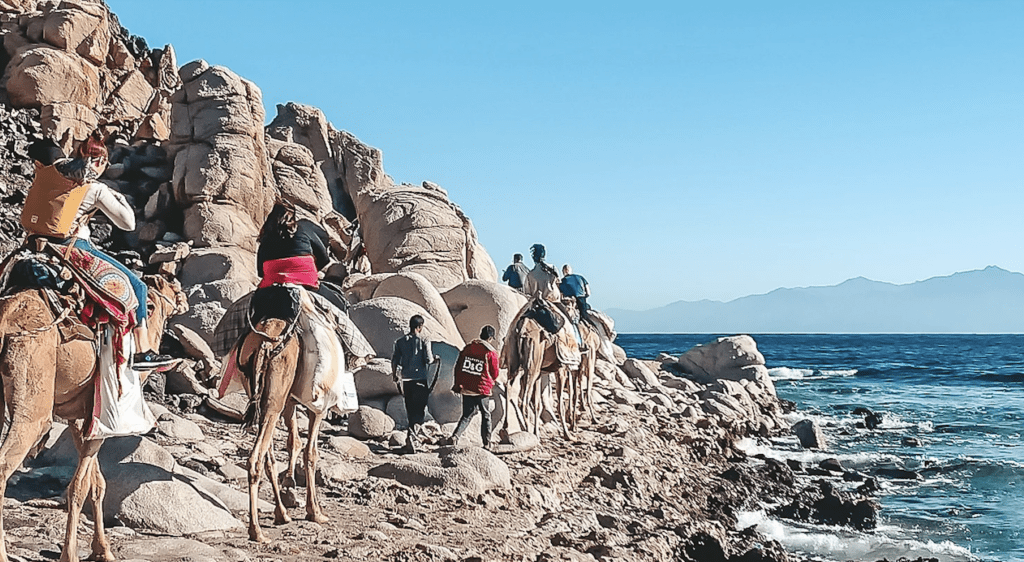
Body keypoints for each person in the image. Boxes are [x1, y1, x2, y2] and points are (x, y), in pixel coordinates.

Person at [21, 132, 172, 369]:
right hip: (73, 249)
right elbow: (128, 224)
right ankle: (144, 352)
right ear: (100, 162)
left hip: (33, 246)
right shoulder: (95, 188)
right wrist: (118, 197)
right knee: (138, 286)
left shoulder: (46, 176)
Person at [256, 201, 349, 313]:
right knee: (341, 306)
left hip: (270, 289)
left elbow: (261, 272)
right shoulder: (304, 226)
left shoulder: (266, 237)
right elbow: (324, 258)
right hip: (306, 284)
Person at [392, 315, 440, 454]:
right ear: (420, 327)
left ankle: (410, 439)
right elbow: (428, 359)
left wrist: (395, 375)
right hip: (420, 380)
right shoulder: (424, 339)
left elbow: (395, 360)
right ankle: (413, 440)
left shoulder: (400, 341)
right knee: (419, 412)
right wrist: (436, 359)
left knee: (410, 410)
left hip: (406, 380)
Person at [449, 325, 500, 449]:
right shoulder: (490, 353)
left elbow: (458, 366)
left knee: (466, 415)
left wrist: (458, 384)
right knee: (486, 415)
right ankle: (487, 443)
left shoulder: (468, 348)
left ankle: (455, 436)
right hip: (481, 390)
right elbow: (495, 372)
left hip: (466, 388)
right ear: (490, 338)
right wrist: (491, 381)